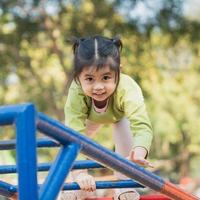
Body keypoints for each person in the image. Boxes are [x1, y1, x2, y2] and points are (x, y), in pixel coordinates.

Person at [61, 35, 154, 200]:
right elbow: (73, 133)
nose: (98, 87)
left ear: (118, 71)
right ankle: (74, 185)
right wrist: (81, 173)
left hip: (119, 117)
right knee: (68, 140)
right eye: (89, 79)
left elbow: (142, 126)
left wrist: (139, 151)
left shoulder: (128, 88)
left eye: (106, 77)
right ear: (77, 77)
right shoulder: (76, 91)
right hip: (88, 119)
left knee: (123, 127)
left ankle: (125, 185)